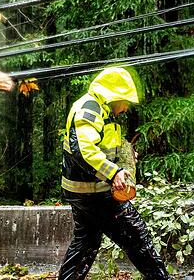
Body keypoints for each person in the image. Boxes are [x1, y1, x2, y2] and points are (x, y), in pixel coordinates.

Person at [58, 67, 171, 280]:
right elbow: (84, 150)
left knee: (86, 243)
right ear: (114, 96)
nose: (126, 107)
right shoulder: (89, 109)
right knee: (137, 236)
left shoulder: (101, 110)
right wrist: (114, 172)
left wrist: (125, 155)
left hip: (83, 190)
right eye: (125, 101)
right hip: (95, 193)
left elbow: (103, 145)